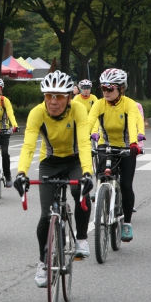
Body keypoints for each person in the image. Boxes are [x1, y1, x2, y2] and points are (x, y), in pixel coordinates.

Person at [13, 70, 93, 288]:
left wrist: (87, 172)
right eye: (49, 96)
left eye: (59, 96)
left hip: (75, 160)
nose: (53, 101)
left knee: (80, 191)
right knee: (46, 216)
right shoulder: (37, 112)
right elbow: (28, 145)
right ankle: (43, 263)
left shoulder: (78, 109)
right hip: (50, 162)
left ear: (69, 97)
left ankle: (82, 238)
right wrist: (21, 172)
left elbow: (85, 143)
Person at [88, 68, 142, 242]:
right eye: (103, 88)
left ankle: (126, 223)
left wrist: (134, 143)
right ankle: (103, 193)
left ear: (121, 88)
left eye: (110, 89)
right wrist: (82, 140)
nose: (106, 92)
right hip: (106, 144)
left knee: (126, 186)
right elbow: (89, 122)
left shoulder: (129, 104)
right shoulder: (99, 104)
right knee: (103, 175)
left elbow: (133, 123)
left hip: (126, 147)